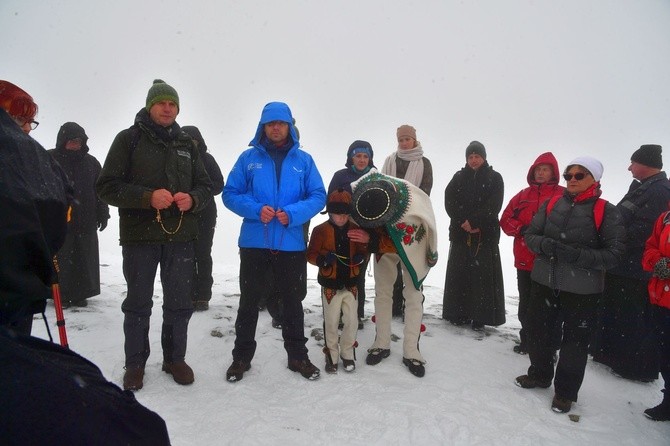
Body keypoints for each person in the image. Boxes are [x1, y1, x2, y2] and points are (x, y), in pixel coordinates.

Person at [96, 79, 213, 391]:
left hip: (181, 236)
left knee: (179, 303)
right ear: (150, 106)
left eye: (172, 104)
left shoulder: (187, 143)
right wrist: (146, 197)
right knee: (138, 302)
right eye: (162, 103)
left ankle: (175, 359)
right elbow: (106, 186)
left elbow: (206, 185)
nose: (167, 108)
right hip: (140, 237)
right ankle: (135, 364)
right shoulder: (128, 139)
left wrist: (195, 198)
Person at [223, 101, 326, 382]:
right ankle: (241, 358)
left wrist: (292, 214)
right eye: (271, 124)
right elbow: (230, 193)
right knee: (249, 301)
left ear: (290, 127)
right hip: (255, 242)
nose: (276, 128)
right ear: (263, 127)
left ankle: (298, 357)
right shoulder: (248, 159)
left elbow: (318, 195)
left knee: (292, 302)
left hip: (291, 243)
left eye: (281, 123)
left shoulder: (303, 161)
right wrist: (256, 209)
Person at [515, 156, 625, 414]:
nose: (572, 180)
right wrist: (544, 245)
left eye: (579, 175)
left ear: (594, 179)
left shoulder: (606, 211)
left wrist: (578, 256)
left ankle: (565, 392)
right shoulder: (553, 203)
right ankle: (540, 374)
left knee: (575, 342)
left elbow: (615, 253)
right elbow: (531, 235)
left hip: (583, 290)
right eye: (568, 175)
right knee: (537, 331)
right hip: (544, 280)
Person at [592, 144, 670, 382]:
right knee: (618, 314)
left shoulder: (659, 191)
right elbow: (622, 217)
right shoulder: (644, 188)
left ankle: (637, 368)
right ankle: (611, 356)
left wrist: (613, 240)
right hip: (623, 265)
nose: (629, 167)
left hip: (636, 270)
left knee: (634, 319)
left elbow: (645, 230)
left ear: (645, 164)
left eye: (633, 163)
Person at [351, 170, 438, 378]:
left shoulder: (412, 205)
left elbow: (427, 226)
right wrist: (370, 236)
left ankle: (411, 351)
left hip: (413, 242)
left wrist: (432, 250)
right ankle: (381, 343)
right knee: (382, 292)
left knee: (414, 295)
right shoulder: (361, 195)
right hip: (383, 247)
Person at [0, 80, 71, 335]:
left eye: (30, 121)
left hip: (21, 286)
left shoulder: (33, 159)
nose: (27, 129)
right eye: (19, 120)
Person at [500, 152, 564, 354]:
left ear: (553, 172)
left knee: (550, 307)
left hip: (551, 262)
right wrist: (522, 229)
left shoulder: (563, 195)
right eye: (538, 169)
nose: (540, 173)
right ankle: (527, 341)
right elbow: (505, 219)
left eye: (545, 169)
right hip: (525, 260)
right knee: (526, 304)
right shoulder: (522, 196)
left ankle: (550, 348)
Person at [442, 141, 505, 331]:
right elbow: (449, 199)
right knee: (459, 274)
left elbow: (494, 205)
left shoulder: (495, 178)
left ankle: (480, 317)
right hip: (461, 233)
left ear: (484, 157)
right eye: (470, 157)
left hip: (484, 235)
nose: (474, 160)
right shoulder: (459, 177)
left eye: (477, 156)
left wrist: (476, 222)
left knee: (482, 277)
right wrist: (463, 221)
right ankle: (458, 313)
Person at [307, 189, 370, 373]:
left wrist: (360, 256)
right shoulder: (320, 231)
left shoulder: (355, 229)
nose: (341, 219)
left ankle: (348, 353)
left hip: (351, 283)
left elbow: (363, 249)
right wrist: (322, 260)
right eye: (337, 215)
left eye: (344, 215)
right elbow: (311, 254)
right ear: (329, 213)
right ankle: (331, 355)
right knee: (332, 321)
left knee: (352, 321)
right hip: (330, 285)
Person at [48, 122, 109, 308]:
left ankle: (81, 294)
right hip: (58, 222)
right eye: (71, 141)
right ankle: (61, 294)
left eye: (78, 141)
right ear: (63, 141)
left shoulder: (91, 163)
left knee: (84, 260)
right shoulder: (49, 159)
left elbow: (100, 191)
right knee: (62, 260)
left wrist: (103, 212)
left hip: (86, 221)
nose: (75, 144)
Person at [381, 125, 433, 317]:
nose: (404, 143)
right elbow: (383, 186)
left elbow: (424, 192)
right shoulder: (389, 161)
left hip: (414, 221)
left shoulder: (424, 163)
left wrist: (405, 207)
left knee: (412, 265)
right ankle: (393, 305)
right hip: (390, 219)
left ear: (414, 139)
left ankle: (411, 307)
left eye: (407, 139)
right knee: (391, 265)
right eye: (401, 140)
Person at [328, 140, 376, 328]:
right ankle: (338, 312)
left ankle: (355, 314)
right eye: (358, 156)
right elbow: (330, 201)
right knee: (340, 270)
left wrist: (370, 233)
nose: (362, 160)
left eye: (365, 156)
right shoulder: (340, 176)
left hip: (365, 231)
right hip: (341, 229)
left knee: (358, 273)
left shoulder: (375, 176)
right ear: (351, 157)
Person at [181, 126, 225, 312]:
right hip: (182, 215)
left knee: (203, 255)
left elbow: (218, 184)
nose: (191, 143)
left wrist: (199, 193)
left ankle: (203, 296)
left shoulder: (207, 159)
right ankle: (188, 295)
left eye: (194, 139)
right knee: (184, 256)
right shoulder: (176, 158)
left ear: (199, 140)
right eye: (187, 139)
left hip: (205, 214)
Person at [641, 209, 670, 421]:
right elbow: (650, 246)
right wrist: (658, 261)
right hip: (662, 300)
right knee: (666, 354)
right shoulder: (665, 217)